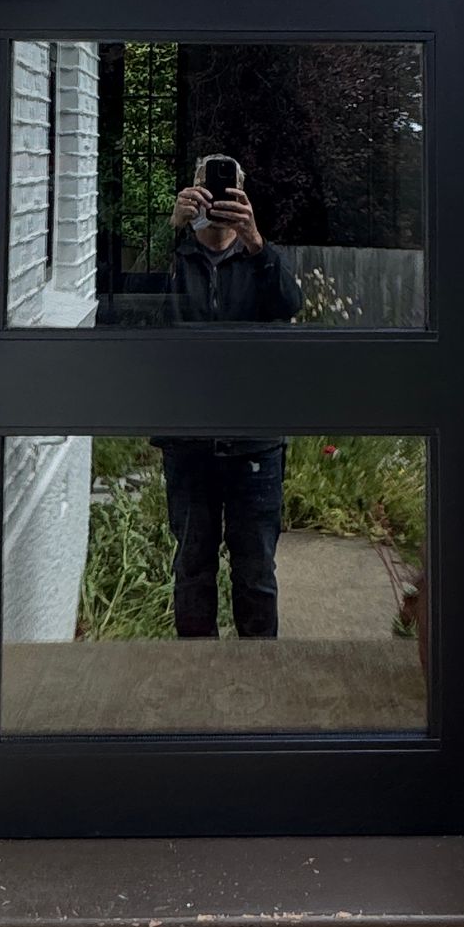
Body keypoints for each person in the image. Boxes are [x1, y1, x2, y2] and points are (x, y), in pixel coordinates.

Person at [153, 162, 302, 640]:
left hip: (254, 441)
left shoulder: (260, 259)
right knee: (192, 568)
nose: (216, 196)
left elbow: (290, 305)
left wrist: (256, 239)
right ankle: (197, 675)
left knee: (255, 573)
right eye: (207, 184)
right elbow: (132, 310)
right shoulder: (175, 259)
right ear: (193, 189)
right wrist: (171, 229)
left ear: (242, 193)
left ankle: (258, 674)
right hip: (188, 439)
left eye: (227, 187)